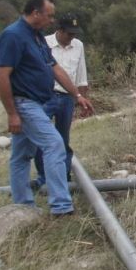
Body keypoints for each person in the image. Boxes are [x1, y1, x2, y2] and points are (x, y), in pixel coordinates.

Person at [0, 0, 94, 216]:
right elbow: (2, 76)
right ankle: (61, 206)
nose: (51, 20)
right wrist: (12, 113)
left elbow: (55, 68)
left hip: (37, 102)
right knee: (54, 144)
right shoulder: (13, 36)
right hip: (24, 103)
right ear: (35, 13)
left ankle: (23, 205)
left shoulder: (36, 36)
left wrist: (77, 95)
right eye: (49, 16)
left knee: (21, 156)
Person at [33, 13, 89, 189]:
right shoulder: (44, 43)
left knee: (63, 139)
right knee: (42, 139)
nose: (72, 37)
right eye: (69, 33)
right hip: (45, 97)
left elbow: (81, 74)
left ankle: (64, 178)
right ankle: (44, 177)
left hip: (67, 98)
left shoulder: (78, 46)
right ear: (60, 30)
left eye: (74, 33)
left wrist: (82, 98)